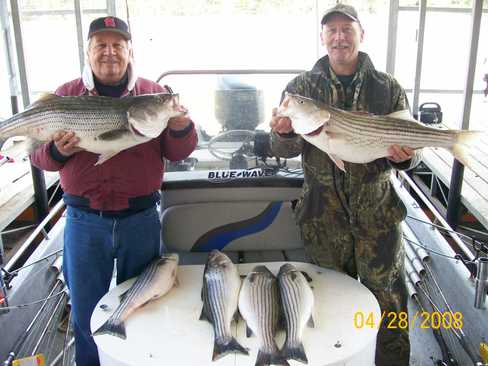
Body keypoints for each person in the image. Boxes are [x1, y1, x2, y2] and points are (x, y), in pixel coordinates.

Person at [30, 16, 197, 366]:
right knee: (86, 311)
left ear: (129, 50)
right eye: (101, 45)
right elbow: (39, 157)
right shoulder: (65, 95)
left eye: (117, 45)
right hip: (84, 220)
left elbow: (179, 152)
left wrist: (180, 126)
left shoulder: (155, 94)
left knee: (142, 307)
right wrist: (59, 151)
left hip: (141, 220)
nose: (109, 53)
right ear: (88, 51)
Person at [269, 4, 421, 366]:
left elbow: (409, 156)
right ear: (323, 38)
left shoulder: (387, 87)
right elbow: (283, 148)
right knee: (330, 304)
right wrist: (282, 132)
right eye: (331, 30)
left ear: (361, 35)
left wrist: (404, 156)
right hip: (323, 219)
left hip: (378, 220)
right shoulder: (301, 88)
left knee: (390, 305)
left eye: (346, 29)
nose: (339, 37)